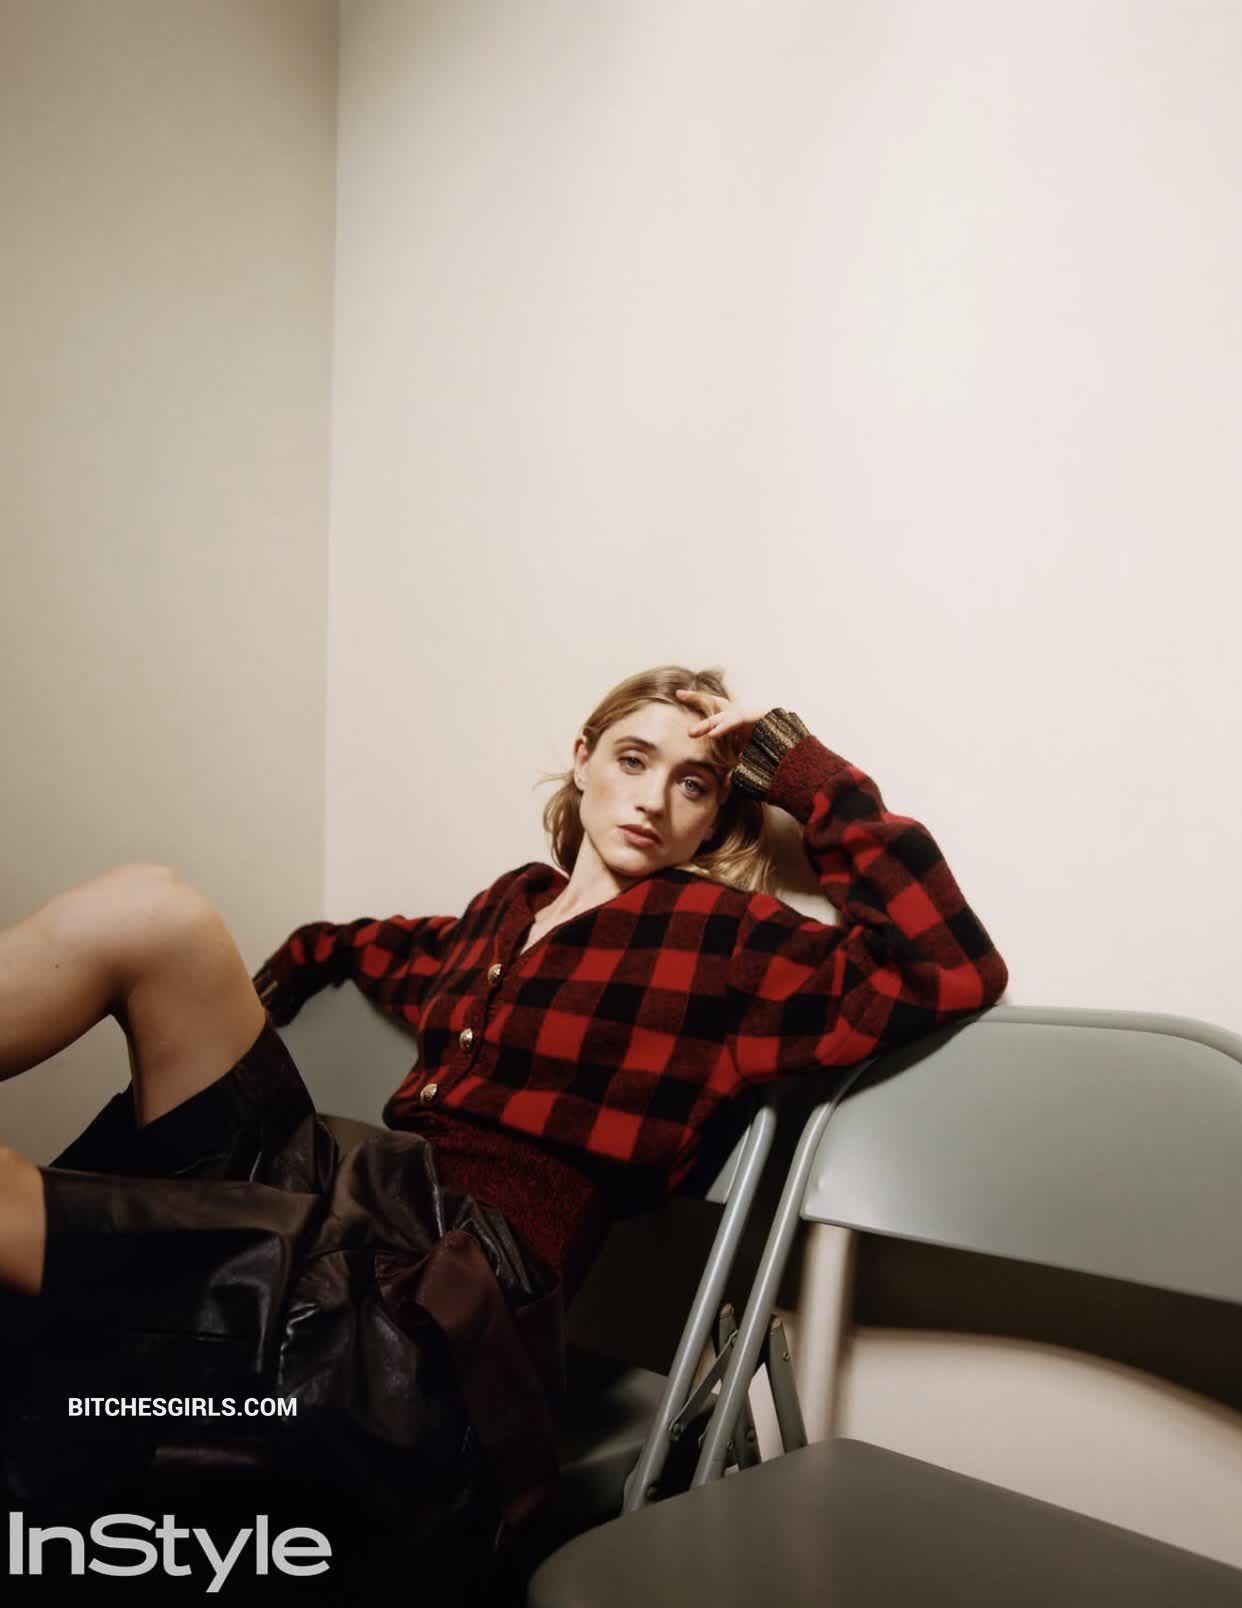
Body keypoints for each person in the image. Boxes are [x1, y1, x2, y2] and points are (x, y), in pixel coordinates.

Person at [0, 665, 1008, 1581]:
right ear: (583, 759)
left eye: (696, 784)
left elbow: (946, 966)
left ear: (714, 819)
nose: (654, 799)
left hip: (446, 1296)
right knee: (153, 909)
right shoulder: (506, 911)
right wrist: (291, 970)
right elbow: (371, 946)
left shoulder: (722, 939)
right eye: (633, 760)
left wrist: (794, 765)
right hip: (343, 1188)